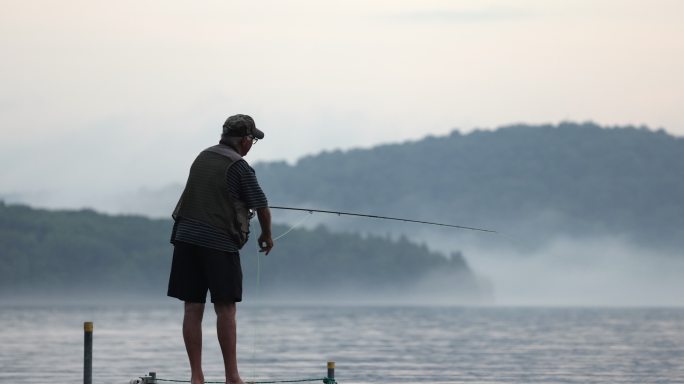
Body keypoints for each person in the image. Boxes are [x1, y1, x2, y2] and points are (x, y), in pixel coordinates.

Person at [167, 114, 274, 384]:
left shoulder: (202, 157)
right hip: (217, 242)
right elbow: (261, 205)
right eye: (252, 140)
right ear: (244, 139)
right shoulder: (239, 166)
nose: (251, 145)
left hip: (185, 238)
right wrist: (267, 236)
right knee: (225, 308)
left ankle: (196, 377)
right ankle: (232, 378)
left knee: (192, 307)